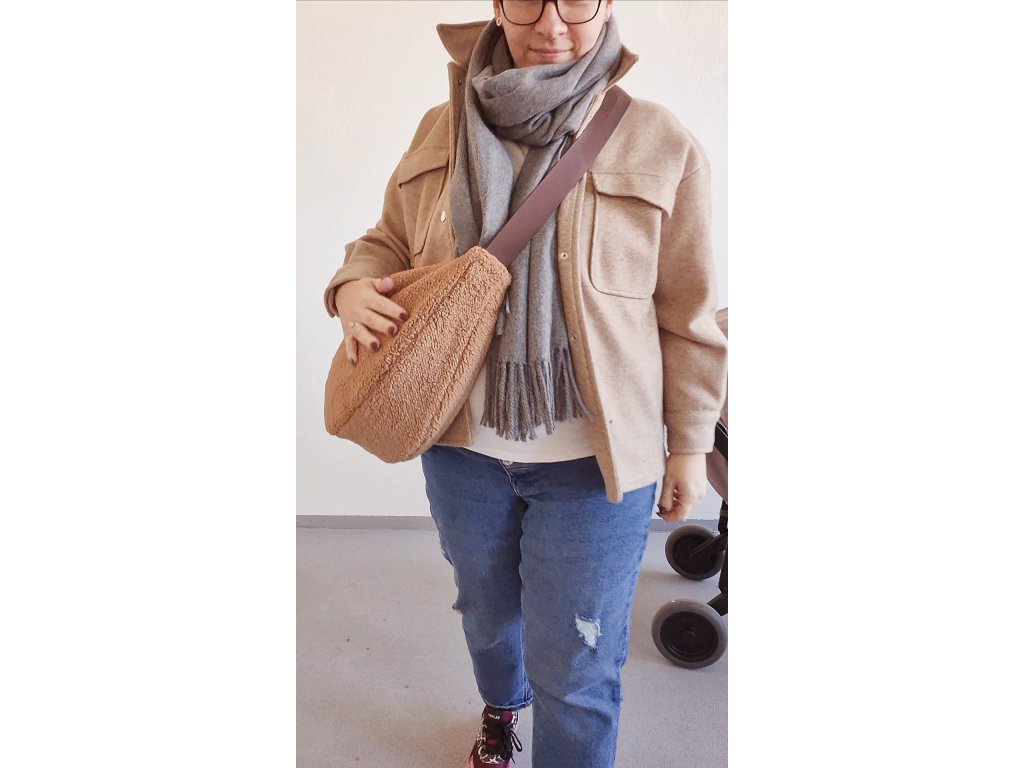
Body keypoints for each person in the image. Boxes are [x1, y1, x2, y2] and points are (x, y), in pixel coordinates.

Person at [322, 2, 727, 766]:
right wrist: (350, 288)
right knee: (486, 615)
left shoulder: (659, 141)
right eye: (526, 0)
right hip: (460, 449)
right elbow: (387, 240)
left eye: (576, 0)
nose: (551, 24)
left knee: (577, 663)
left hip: (596, 465)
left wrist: (687, 444)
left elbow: (688, 314)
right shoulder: (441, 128)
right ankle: (503, 707)